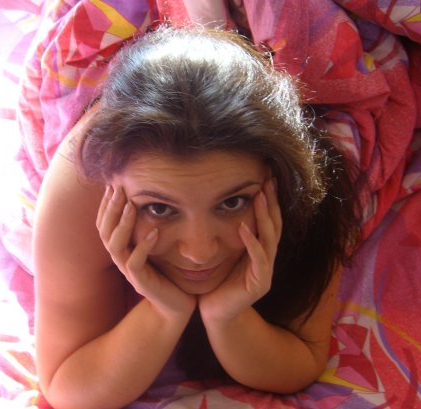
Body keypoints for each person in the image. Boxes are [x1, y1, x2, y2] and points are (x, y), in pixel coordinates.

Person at [33, 26, 359, 409]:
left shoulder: (302, 178)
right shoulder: (83, 187)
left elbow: (302, 361)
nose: (199, 252)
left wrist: (228, 317)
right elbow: (65, 386)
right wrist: (163, 312)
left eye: (232, 202)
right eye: (158, 208)